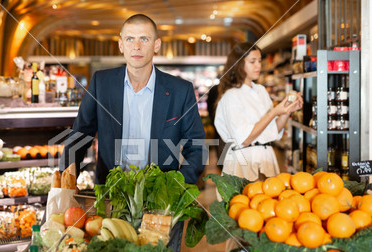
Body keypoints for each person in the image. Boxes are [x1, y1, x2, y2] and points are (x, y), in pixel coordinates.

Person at [60, 14, 207, 184]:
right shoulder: (101, 83)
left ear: (156, 45)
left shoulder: (180, 91)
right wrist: (65, 183)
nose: (136, 46)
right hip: (110, 194)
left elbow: (196, 148)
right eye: (130, 39)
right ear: (121, 45)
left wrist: (176, 188)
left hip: (159, 198)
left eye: (144, 39)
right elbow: (79, 136)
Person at [214, 42, 302, 182]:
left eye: (260, 61)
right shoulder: (231, 97)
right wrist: (273, 112)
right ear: (238, 64)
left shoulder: (261, 91)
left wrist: (286, 110)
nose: (258, 66)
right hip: (243, 162)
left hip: (266, 158)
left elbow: (273, 131)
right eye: (252, 62)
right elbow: (245, 139)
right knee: (245, 202)